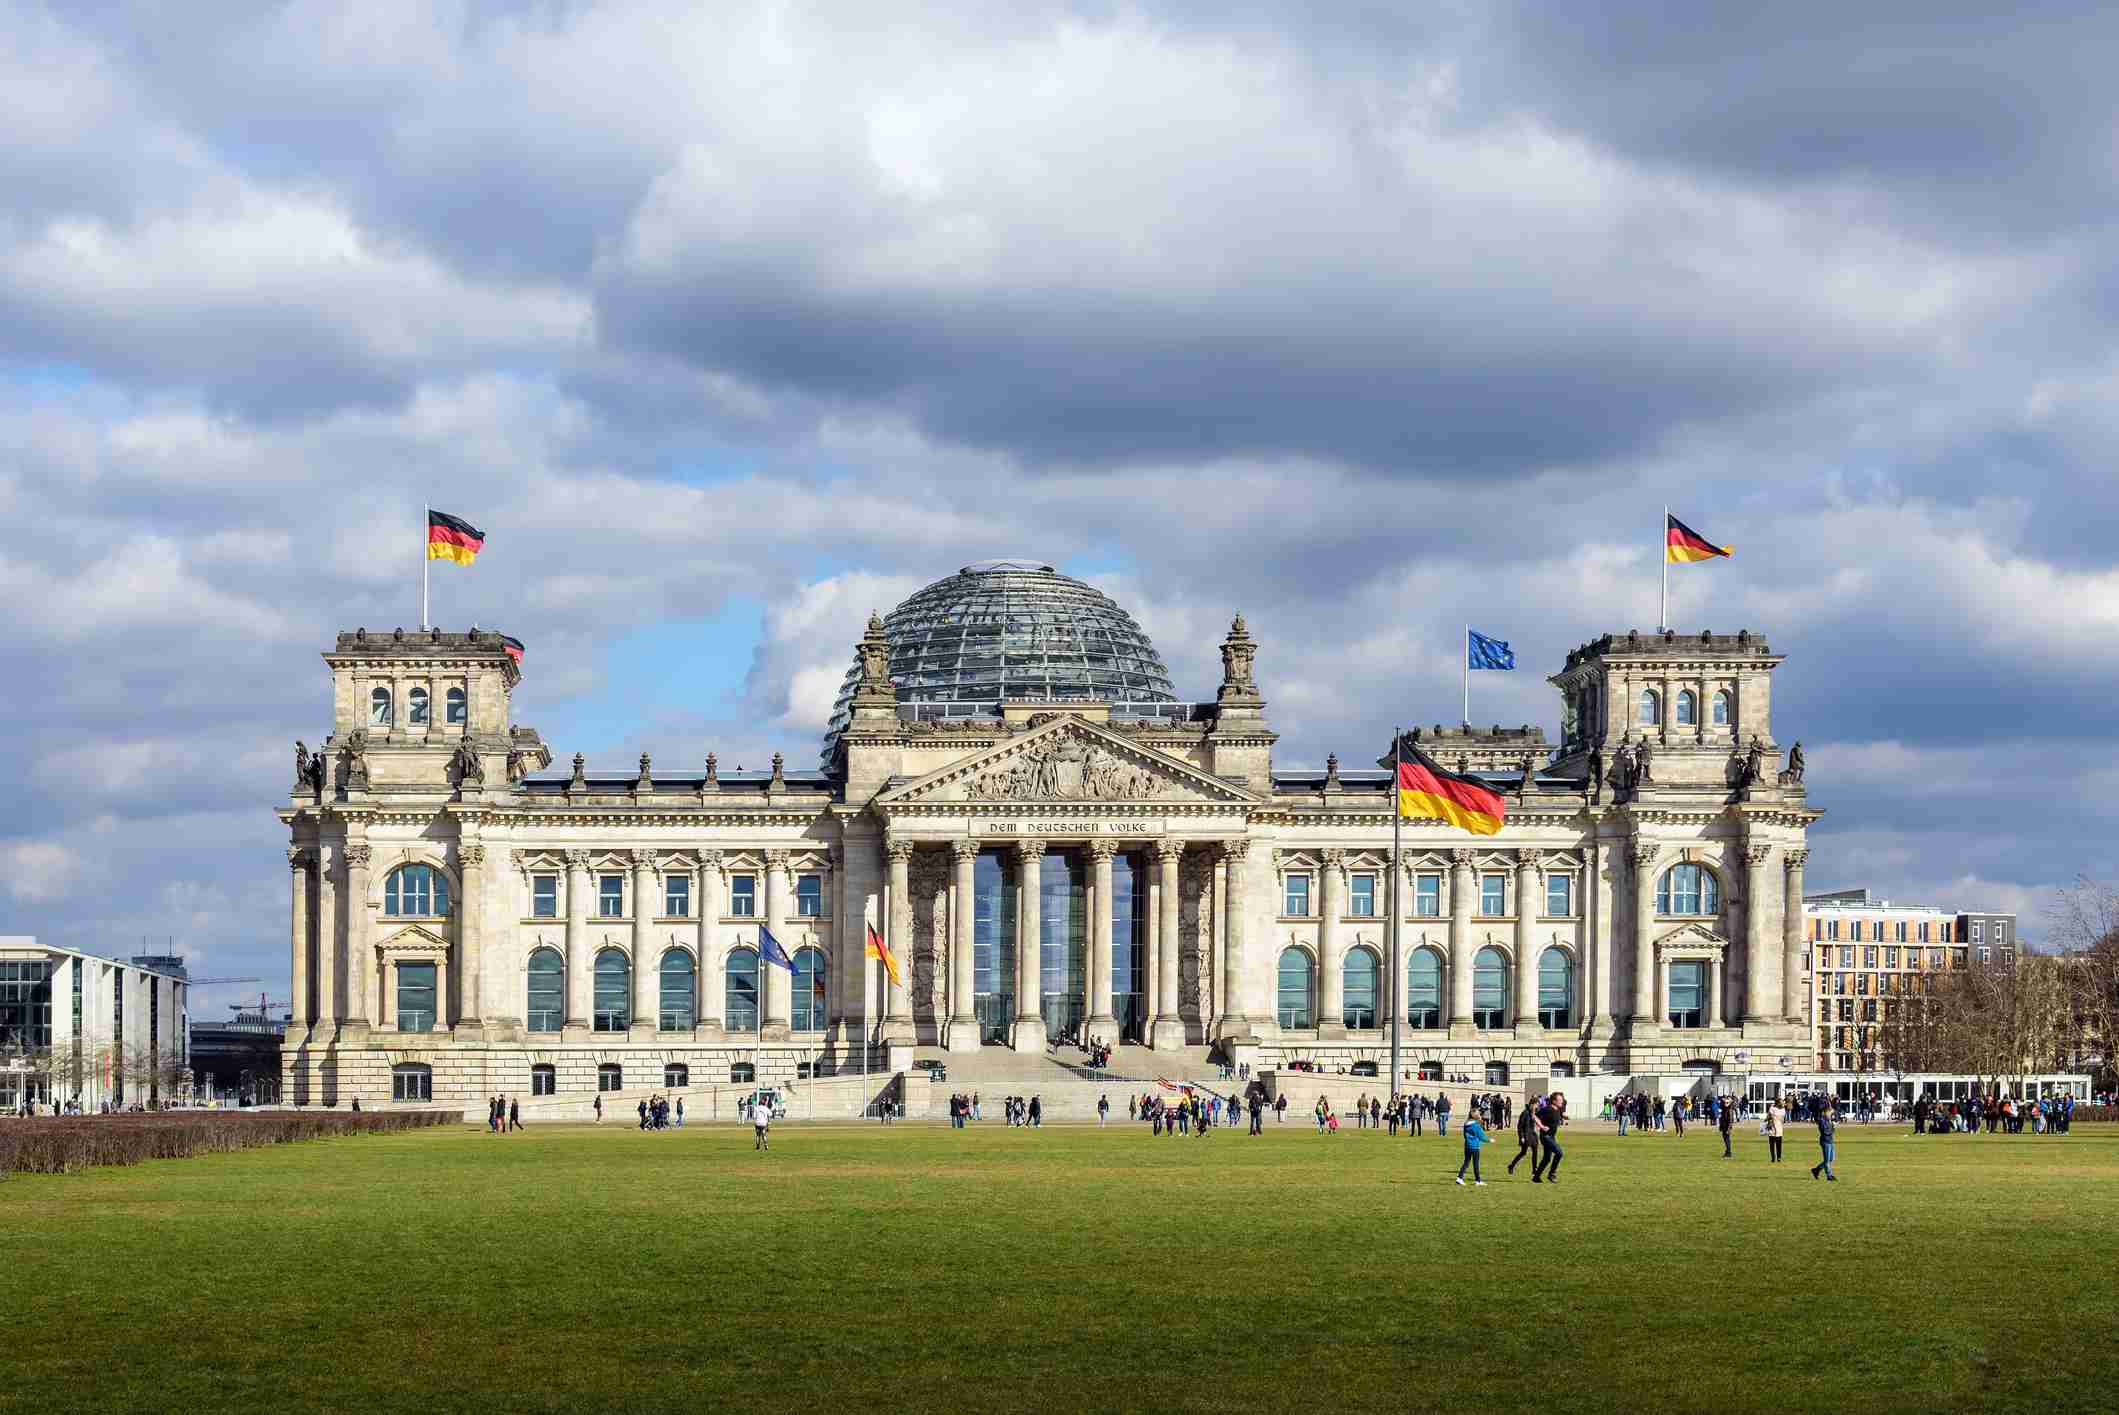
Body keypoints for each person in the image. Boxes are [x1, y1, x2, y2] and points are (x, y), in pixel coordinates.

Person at [1532, 1093, 1565, 1183]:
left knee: (1547, 1158)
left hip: (1552, 1136)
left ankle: (1536, 1177)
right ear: (1554, 1101)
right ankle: (1552, 1174)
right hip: (1546, 1137)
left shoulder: (1558, 1110)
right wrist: (1542, 1127)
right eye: (1560, 1100)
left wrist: (1564, 1118)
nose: (1562, 1101)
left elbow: (1556, 1119)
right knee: (1559, 1153)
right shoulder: (1547, 1109)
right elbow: (1535, 1117)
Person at [1506, 1097, 1540, 1176]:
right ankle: (1511, 1166)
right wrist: (1521, 1137)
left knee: (1535, 1152)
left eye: (1537, 1105)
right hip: (1526, 1135)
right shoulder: (1525, 1113)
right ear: (1532, 1104)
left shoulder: (1534, 1112)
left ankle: (1534, 1169)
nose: (1537, 1107)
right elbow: (1520, 1126)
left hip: (1533, 1135)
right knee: (1523, 1152)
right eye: (1536, 1105)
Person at [1456, 1112, 1489, 1186]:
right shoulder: (1476, 1125)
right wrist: (1489, 1140)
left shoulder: (1466, 1124)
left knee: (1466, 1163)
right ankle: (1478, 1181)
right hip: (1475, 1147)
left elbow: (1465, 1135)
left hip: (1467, 1145)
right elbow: (1481, 1136)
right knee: (1476, 1164)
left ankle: (1459, 1178)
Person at [1810, 1096, 1838, 1181]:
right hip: (1825, 1141)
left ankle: (1816, 1169)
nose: (1831, 1114)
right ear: (1825, 1112)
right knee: (1826, 1160)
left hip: (1830, 1140)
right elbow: (1825, 1131)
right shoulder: (1822, 1121)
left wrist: (1833, 1126)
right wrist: (1833, 1127)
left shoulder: (1828, 1120)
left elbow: (1831, 1131)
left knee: (1831, 1158)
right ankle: (1829, 1176)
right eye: (1830, 1113)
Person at [1765, 1098, 1785, 1163]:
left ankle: (1778, 1158)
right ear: (1778, 1103)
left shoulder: (1782, 1109)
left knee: (1778, 1145)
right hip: (1772, 1129)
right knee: (1772, 1145)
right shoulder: (1772, 1108)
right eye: (1781, 1102)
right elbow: (1768, 1117)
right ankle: (1773, 1158)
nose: (1783, 1103)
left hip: (1779, 1129)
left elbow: (1782, 1119)